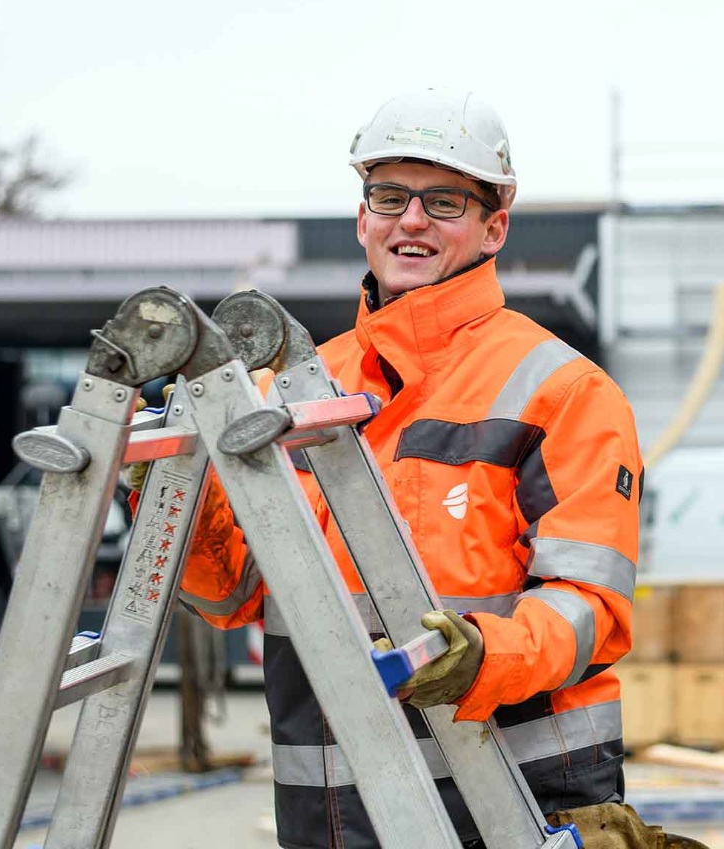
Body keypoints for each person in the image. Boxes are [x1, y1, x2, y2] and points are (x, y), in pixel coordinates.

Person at [161, 89, 678, 849]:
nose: (411, 219)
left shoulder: (563, 389)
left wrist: (482, 657)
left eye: (443, 200)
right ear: (363, 218)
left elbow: (593, 607)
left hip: (512, 807)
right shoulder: (295, 390)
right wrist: (178, 499)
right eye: (390, 195)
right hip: (336, 815)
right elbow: (239, 592)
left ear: (493, 226)